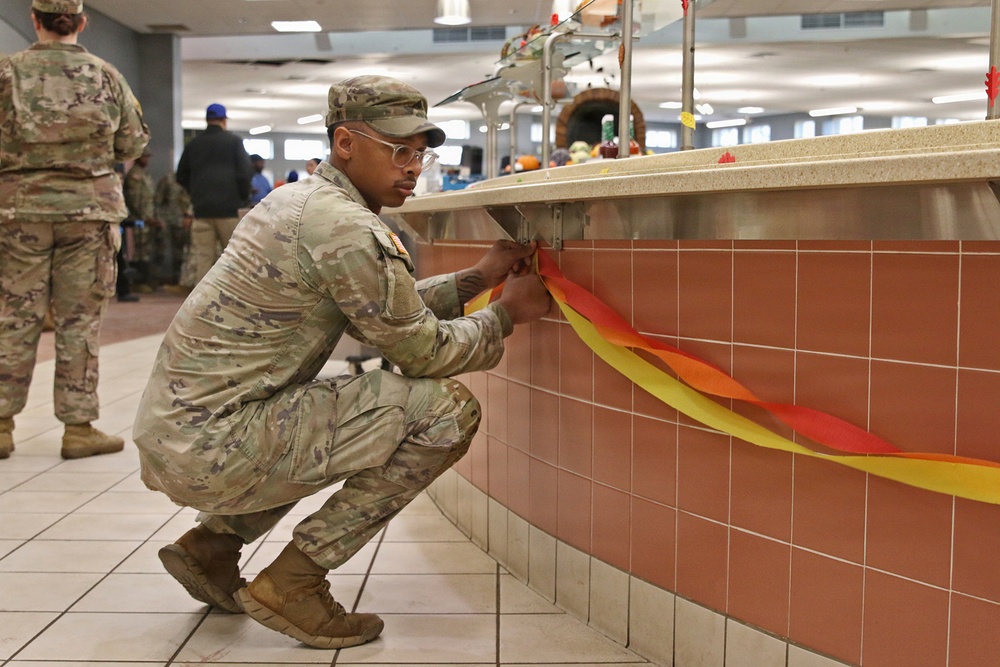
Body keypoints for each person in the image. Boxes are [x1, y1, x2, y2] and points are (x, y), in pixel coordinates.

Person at [133, 75, 551, 649]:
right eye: (398, 150)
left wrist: (477, 279)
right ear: (346, 143)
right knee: (445, 412)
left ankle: (211, 548)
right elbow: (423, 353)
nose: (413, 167)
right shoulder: (346, 226)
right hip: (214, 447)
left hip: (183, 434)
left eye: (420, 153)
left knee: (319, 418)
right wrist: (505, 314)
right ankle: (294, 583)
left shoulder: (297, 201)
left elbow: (373, 314)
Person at [0, 0, 150, 460]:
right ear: (81, 22)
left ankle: (0, 426)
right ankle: (79, 429)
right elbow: (133, 141)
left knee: (12, 316)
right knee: (79, 320)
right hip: (89, 212)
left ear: (35, 21)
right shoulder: (105, 74)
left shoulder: (7, 73)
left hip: (19, 211)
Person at [175, 102, 251, 287]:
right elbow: (245, 173)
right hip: (228, 210)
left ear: (207, 120)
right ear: (224, 120)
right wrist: (241, 198)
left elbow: (180, 175)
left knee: (204, 258)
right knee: (232, 257)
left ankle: (201, 300)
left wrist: (196, 193)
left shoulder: (193, 144)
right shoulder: (234, 142)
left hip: (202, 210)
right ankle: (232, 297)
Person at [123, 148, 163, 292]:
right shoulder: (134, 175)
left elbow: (149, 198)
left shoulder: (144, 174)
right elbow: (135, 200)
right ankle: (138, 282)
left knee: (146, 251)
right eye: (145, 157)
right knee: (140, 251)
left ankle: (146, 281)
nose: (147, 160)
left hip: (148, 219)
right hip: (140, 221)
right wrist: (146, 218)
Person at [153, 170, 194, 289]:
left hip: (182, 222)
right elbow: (157, 201)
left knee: (180, 253)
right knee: (160, 252)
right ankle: (153, 281)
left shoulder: (192, 180)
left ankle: (177, 280)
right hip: (166, 221)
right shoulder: (168, 180)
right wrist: (158, 218)